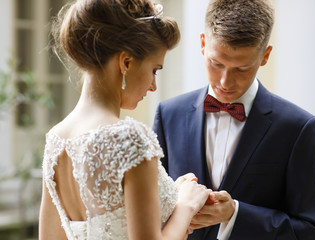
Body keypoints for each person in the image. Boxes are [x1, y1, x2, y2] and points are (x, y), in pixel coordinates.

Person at [153, 0, 315, 239]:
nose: (225, 82)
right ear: (203, 44)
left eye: (242, 69)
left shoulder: (299, 128)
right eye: (216, 64)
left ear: (265, 56)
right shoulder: (168, 115)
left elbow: (314, 233)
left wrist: (235, 214)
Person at [38, 0, 212, 239]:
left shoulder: (56, 140)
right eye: (154, 70)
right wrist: (185, 206)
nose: (153, 86)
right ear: (126, 62)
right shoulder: (129, 138)